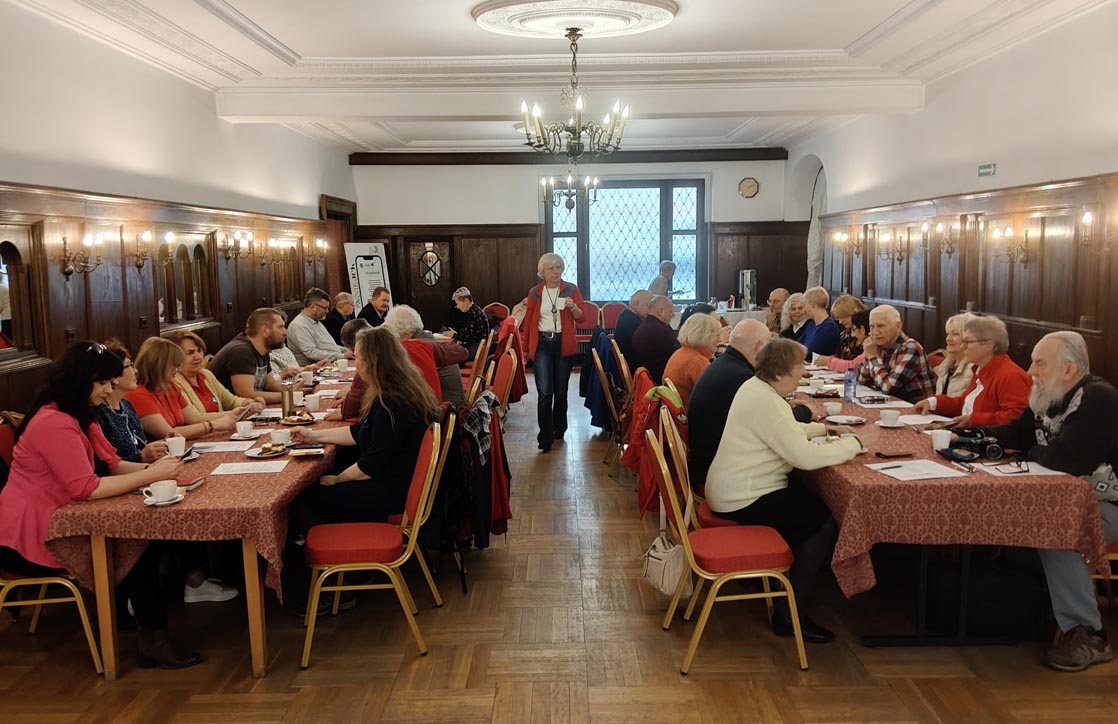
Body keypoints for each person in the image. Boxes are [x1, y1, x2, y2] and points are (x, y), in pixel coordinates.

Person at [0, 341, 202, 668]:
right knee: (139, 543)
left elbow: (112, 465)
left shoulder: (81, 414)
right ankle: (152, 637)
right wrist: (152, 474)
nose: (109, 389)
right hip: (33, 536)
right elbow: (86, 488)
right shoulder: (53, 421)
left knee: (148, 539)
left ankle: (140, 624)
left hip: (65, 518)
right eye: (104, 382)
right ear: (81, 380)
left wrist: (157, 469)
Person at [974, 332, 1118, 672]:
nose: (1030, 371)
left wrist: (1028, 453)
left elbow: (1066, 459)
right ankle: (1033, 607)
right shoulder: (1047, 394)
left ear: (1068, 369)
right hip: (1062, 500)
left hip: (1108, 505)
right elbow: (1017, 432)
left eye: (1040, 363)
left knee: (1054, 529)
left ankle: (1090, 634)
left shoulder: (1098, 398)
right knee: (1013, 518)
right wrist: (971, 438)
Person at [706, 339, 861, 643]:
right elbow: (804, 457)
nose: (803, 372)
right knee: (822, 521)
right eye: (798, 367)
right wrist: (853, 444)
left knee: (808, 501)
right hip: (742, 497)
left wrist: (825, 430)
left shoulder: (756, 388)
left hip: (734, 488)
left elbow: (782, 430)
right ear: (779, 373)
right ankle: (789, 613)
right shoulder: (767, 401)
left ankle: (784, 586)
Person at [292, 327, 441, 531]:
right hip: (395, 478)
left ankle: (327, 547)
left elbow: (371, 465)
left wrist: (338, 480)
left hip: (394, 491)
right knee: (319, 482)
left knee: (305, 500)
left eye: (358, 357)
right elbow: (358, 431)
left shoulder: (394, 403)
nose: (356, 363)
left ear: (371, 362)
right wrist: (311, 436)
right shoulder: (395, 389)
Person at [688, 319, 771, 490]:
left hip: (708, 461)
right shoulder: (741, 377)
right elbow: (771, 424)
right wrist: (803, 412)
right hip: (721, 476)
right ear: (759, 347)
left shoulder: (725, 365)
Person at [913, 315, 1030, 427]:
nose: (963, 346)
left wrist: (973, 420)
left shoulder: (1010, 375)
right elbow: (963, 403)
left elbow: (1016, 418)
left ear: (989, 345)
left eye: (967, 342)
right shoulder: (981, 369)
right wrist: (933, 402)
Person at [521, 252, 585, 452]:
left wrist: (573, 308)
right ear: (543, 271)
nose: (556, 272)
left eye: (558, 267)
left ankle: (559, 429)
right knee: (545, 392)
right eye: (551, 268)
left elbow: (582, 318)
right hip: (542, 344)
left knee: (561, 391)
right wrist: (525, 348)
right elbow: (528, 322)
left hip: (563, 344)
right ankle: (545, 437)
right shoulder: (535, 292)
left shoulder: (571, 289)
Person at [126, 337, 240, 441]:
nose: (178, 369)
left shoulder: (170, 387)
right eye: (174, 366)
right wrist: (212, 425)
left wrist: (232, 414)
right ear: (159, 366)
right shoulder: (138, 394)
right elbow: (170, 434)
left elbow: (194, 419)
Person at [210, 308, 305, 405]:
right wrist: (288, 395)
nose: (285, 332)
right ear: (265, 330)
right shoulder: (241, 351)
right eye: (281, 327)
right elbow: (246, 395)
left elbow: (270, 384)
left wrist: (294, 388)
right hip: (229, 411)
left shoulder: (262, 348)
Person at [96, 340, 167, 464]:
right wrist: (141, 457)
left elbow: (140, 444)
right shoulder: (99, 413)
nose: (136, 371)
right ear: (114, 375)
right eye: (129, 366)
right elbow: (105, 466)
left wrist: (161, 446)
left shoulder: (126, 405)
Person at [384, 304, 468, 406]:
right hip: (452, 404)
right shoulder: (427, 339)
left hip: (447, 409)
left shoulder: (416, 347)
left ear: (406, 333)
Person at [169, 330, 264, 415]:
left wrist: (249, 403)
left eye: (199, 351)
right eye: (190, 353)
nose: (197, 356)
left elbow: (231, 401)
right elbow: (194, 418)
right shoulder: (175, 382)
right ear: (175, 356)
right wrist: (233, 414)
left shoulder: (206, 374)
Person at [856, 304, 934, 403]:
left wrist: (872, 357)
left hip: (915, 408)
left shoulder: (910, 348)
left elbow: (888, 388)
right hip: (891, 405)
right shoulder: (878, 346)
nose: (875, 332)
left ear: (898, 326)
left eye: (881, 326)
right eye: (872, 327)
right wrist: (870, 355)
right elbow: (862, 380)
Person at [662, 313, 721, 408]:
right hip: (689, 413)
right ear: (702, 336)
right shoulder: (696, 360)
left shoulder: (680, 352)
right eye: (716, 335)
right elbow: (714, 395)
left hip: (676, 410)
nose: (719, 340)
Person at [286, 288, 345, 366]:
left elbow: (328, 346)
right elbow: (311, 353)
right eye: (325, 307)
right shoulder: (299, 325)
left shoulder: (315, 320)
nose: (327, 311)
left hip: (330, 363)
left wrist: (345, 350)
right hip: (313, 369)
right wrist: (341, 356)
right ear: (313, 306)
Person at [630, 295, 679, 385]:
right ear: (661, 311)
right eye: (670, 311)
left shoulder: (646, 326)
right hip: (659, 382)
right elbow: (677, 356)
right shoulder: (659, 331)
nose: (672, 315)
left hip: (647, 379)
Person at [932, 313, 977, 397]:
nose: (948, 339)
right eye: (948, 334)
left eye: (955, 334)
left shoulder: (973, 369)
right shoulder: (946, 365)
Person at [445, 286, 490, 360]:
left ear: (466, 300)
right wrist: (456, 333)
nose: (458, 307)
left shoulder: (474, 314)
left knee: (450, 355)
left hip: (476, 348)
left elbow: (471, 337)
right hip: (477, 346)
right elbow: (471, 332)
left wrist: (454, 335)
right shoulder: (474, 311)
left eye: (458, 304)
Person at [800, 286, 841, 356]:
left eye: (804, 305)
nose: (804, 309)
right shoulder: (811, 324)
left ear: (812, 305)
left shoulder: (829, 327)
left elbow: (810, 353)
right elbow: (797, 344)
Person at [828, 294, 867, 361]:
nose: (840, 322)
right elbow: (836, 355)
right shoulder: (844, 334)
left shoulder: (866, 334)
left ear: (854, 313)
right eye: (838, 318)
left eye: (843, 317)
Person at [614, 290, 651, 361]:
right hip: (634, 364)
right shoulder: (630, 322)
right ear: (637, 304)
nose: (651, 309)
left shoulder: (628, 314)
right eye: (648, 305)